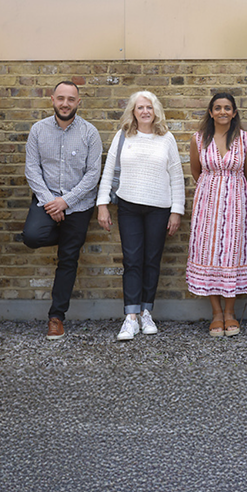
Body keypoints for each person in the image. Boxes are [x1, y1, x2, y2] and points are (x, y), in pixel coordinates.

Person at [96, 91, 185, 341]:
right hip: (129, 207)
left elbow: (176, 177)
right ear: (133, 112)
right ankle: (131, 317)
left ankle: (147, 311)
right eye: (139, 108)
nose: (145, 111)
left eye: (149, 107)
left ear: (155, 110)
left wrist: (177, 210)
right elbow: (109, 171)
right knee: (132, 260)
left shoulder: (166, 138)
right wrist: (102, 204)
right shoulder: (123, 136)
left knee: (152, 260)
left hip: (159, 207)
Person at [22, 80, 103, 340]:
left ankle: (56, 317)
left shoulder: (90, 132)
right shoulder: (38, 130)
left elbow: (93, 174)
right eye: (61, 98)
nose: (65, 103)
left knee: (68, 259)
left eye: (71, 99)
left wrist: (66, 201)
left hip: (78, 205)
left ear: (79, 102)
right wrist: (51, 202)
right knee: (32, 237)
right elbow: (32, 170)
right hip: (46, 202)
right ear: (52, 99)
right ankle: (70, 238)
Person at [186, 92, 247, 336]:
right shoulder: (198, 139)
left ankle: (230, 312)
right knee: (209, 255)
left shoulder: (245, 139)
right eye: (217, 108)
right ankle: (216, 312)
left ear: (234, 112)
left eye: (227, 108)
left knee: (232, 254)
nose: (223, 112)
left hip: (237, 205)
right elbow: (197, 172)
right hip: (207, 205)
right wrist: (215, 189)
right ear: (210, 112)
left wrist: (240, 200)